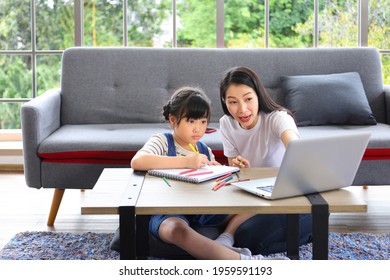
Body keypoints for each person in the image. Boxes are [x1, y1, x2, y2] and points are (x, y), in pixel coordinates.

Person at [131, 86, 286, 260]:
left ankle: (226, 239)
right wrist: (186, 162)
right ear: (174, 120)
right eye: (191, 121)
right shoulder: (163, 141)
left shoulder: (204, 149)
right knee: (175, 229)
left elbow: (217, 187)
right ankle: (247, 262)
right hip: (169, 211)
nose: (198, 129)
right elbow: (137, 161)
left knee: (257, 199)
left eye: (203, 122)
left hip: (202, 211)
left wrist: (230, 170)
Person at [218, 66, 313, 255]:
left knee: (245, 236)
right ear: (225, 102)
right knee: (213, 220)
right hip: (253, 191)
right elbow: (234, 169)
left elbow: (296, 149)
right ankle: (228, 235)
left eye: (248, 99)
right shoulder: (226, 123)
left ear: (258, 96)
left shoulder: (277, 118)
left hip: (286, 193)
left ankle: (307, 234)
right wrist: (238, 166)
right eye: (233, 102)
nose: (242, 109)